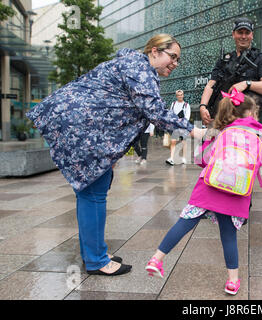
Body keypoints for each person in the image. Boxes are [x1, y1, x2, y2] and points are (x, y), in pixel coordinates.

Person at [26, 34, 204, 276]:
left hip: (84, 127)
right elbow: (154, 111)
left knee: (93, 191)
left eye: (178, 60)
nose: (175, 63)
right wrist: (195, 131)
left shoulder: (135, 66)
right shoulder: (138, 69)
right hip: (83, 128)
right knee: (93, 193)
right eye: (172, 57)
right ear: (154, 51)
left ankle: (95, 252)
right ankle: (96, 260)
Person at [145, 91, 262, 295]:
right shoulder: (258, 136)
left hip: (208, 189)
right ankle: (232, 281)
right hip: (236, 195)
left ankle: (157, 258)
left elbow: (202, 160)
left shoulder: (219, 132)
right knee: (228, 235)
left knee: (184, 222)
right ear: (250, 113)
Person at [199, 17, 262, 126]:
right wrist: (203, 106)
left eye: (247, 33)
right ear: (233, 34)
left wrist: (246, 84)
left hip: (248, 125)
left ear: (252, 35)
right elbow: (211, 85)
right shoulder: (224, 61)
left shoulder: (260, 59)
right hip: (222, 122)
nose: (243, 36)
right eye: (240, 32)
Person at [166, 90, 191, 165]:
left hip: (183, 126)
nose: (180, 96)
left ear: (183, 95)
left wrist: (182, 122)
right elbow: (170, 114)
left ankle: (183, 158)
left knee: (183, 142)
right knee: (173, 142)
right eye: (178, 95)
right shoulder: (173, 104)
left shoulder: (186, 105)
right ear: (176, 96)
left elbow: (187, 116)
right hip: (175, 126)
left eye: (181, 95)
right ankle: (171, 158)